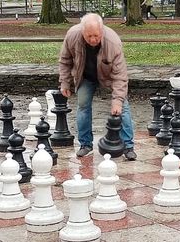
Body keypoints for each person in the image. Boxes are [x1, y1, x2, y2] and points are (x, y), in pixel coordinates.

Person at [58, 12, 137, 160]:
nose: (93, 39)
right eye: (89, 36)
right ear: (82, 31)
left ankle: (128, 146)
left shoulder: (112, 42)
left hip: (108, 77)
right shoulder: (72, 35)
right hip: (85, 76)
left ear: (102, 30)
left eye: (96, 36)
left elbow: (120, 76)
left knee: (123, 108)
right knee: (82, 106)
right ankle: (85, 144)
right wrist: (65, 82)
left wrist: (117, 101)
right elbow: (65, 60)